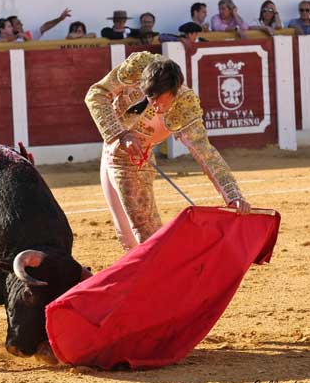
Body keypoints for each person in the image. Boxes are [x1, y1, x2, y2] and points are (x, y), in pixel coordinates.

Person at [84, 51, 251, 250]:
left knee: (145, 233)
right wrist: (121, 135)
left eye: (162, 100)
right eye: (150, 97)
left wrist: (233, 196)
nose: (155, 106)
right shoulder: (137, 67)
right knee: (126, 235)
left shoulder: (184, 104)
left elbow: (206, 153)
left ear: (175, 91)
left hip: (134, 161)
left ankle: (162, 277)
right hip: (112, 148)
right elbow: (96, 94)